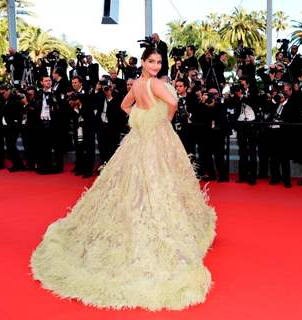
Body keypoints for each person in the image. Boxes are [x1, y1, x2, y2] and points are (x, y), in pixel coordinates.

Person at [30, 47, 216, 311]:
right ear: (142, 62)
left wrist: (141, 118)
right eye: (151, 61)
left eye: (159, 61)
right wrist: (162, 120)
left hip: (139, 139)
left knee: (139, 181)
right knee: (159, 180)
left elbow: (124, 105)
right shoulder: (153, 84)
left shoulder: (138, 84)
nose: (155, 65)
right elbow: (173, 104)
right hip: (157, 138)